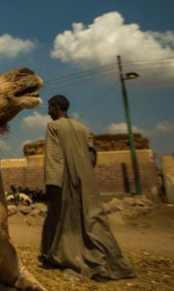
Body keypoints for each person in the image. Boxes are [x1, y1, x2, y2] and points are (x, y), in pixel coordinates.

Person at [39, 94, 135, 281]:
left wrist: (52, 184)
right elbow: (92, 156)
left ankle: (61, 256)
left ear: (57, 109)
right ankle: (101, 259)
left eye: (50, 108)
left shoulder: (53, 127)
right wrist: (85, 173)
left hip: (66, 178)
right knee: (91, 219)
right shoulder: (83, 129)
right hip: (86, 179)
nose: (48, 112)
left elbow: (54, 157)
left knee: (62, 219)